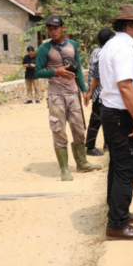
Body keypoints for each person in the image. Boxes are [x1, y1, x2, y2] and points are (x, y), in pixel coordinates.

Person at [99, 4, 133, 241]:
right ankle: (117, 225)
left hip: (114, 114)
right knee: (126, 169)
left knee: (117, 166)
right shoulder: (123, 48)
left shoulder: (114, 44)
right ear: (130, 24)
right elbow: (125, 86)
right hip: (122, 117)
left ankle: (118, 213)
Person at [33, 15, 100, 181]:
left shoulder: (73, 45)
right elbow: (37, 71)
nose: (52, 31)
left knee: (79, 130)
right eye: (49, 28)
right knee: (59, 131)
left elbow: (77, 69)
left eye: (55, 27)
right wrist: (55, 72)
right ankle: (64, 169)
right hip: (56, 96)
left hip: (73, 94)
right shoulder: (44, 48)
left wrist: (84, 90)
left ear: (63, 28)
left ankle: (82, 163)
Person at [84, 28, 115, 157]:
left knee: (104, 119)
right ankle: (90, 146)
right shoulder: (104, 53)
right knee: (96, 120)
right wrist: (91, 92)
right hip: (101, 93)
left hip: (99, 92)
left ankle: (107, 145)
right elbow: (96, 76)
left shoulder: (95, 51)